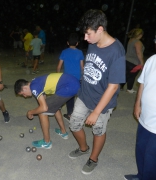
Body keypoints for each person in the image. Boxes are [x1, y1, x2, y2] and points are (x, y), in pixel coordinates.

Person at [68, 9, 125, 175]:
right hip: (85, 96)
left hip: (102, 102)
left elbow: (113, 86)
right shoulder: (93, 44)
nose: (85, 39)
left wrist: (96, 112)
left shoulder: (117, 51)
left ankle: (93, 158)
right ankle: (84, 148)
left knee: (98, 130)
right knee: (74, 124)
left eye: (88, 34)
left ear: (100, 29)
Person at [14, 73, 80, 149]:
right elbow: (45, 101)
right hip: (72, 83)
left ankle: (47, 142)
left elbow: (44, 108)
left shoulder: (34, 87)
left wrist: (30, 112)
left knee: (42, 112)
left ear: (25, 88)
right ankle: (63, 132)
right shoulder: (35, 82)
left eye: (23, 94)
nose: (24, 96)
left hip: (69, 86)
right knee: (53, 106)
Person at [124, 54, 156, 180]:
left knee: (151, 157)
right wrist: (137, 104)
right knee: (141, 149)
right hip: (145, 117)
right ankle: (141, 176)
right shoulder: (152, 59)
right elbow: (142, 83)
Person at [56, 33, 84, 121]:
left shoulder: (64, 52)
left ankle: (70, 114)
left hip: (67, 78)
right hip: (78, 77)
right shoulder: (80, 52)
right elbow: (82, 67)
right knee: (79, 95)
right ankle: (82, 113)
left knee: (70, 96)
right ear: (77, 43)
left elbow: (59, 66)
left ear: (68, 43)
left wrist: (58, 76)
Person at [120, 28, 144, 93]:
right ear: (140, 35)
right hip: (134, 63)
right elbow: (139, 53)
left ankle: (120, 87)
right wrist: (142, 63)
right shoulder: (138, 42)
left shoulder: (131, 40)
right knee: (132, 76)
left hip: (126, 60)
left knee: (126, 75)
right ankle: (129, 89)